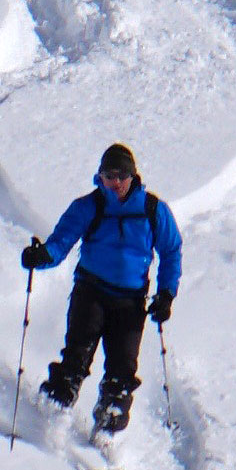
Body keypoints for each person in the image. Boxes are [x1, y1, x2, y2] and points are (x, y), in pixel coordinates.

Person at [22, 143, 182, 434]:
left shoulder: (152, 210)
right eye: (109, 176)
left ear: (133, 176)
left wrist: (166, 294)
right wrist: (42, 256)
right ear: (100, 177)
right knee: (76, 358)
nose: (116, 182)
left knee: (122, 373)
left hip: (131, 302)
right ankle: (48, 416)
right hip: (91, 293)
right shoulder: (89, 206)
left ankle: (107, 430)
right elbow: (61, 241)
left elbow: (171, 251)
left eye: (122, 175)